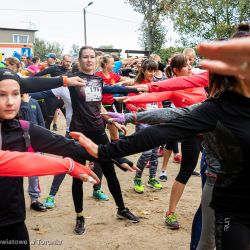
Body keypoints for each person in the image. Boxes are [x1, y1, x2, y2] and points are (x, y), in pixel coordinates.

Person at [43, 46, 139, 236]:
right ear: (80, 59)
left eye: (91, 57)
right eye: (85, 57)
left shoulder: (98, 80)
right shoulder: (72, 79)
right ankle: (79, 216)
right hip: (78, 133)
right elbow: (48, 91)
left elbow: (98, 106)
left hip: (98, 132)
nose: (88, 60)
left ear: (96, 60)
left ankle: (121, 208)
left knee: (110, 172)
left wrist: (111, 119)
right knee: (79, 176)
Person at [0, 68, 99, 249]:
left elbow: (65, 144)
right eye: (1, 95)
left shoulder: (21, 129)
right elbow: (10, 162)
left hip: (12, 218)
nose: (9, 102)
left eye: (15, 94)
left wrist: (110, 153)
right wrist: (67, 165)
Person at [20, 93, 47, 212]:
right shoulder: (16, 103)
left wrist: (42, 140)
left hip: (35, 144)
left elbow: (41, 122)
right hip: (20, 144)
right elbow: (21, 120)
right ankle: (16, 201)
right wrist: (24, 103)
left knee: (34, 173)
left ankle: (34, 200)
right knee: (16, 174)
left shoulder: (35, 102)